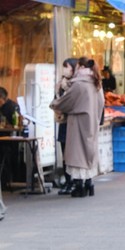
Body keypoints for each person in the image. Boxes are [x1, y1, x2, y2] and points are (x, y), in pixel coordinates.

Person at [49, 57, 104, 197]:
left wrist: (55, 104)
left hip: (78, 121)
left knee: (77, 154)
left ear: (78, 66)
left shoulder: (79, 83)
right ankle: (89, 184)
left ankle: (79, 187)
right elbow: (101, 101)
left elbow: (68, 101)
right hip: (91, 121)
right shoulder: (95, 81)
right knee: (87, 153)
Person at [54, 58, 77, 195]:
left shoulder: (76, 84)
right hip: (63, 122)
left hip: (74, 122)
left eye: (67, 67)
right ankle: (68, 181)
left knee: (74, 154)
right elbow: (56, 99)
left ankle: (76, 181)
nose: (65, 69)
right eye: (63, 67)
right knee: (65, 155)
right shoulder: (60, 85)